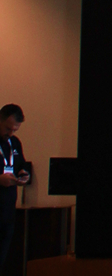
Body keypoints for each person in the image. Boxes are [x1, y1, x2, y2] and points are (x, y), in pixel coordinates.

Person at [0, 105, 28, 272]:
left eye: (15, 130)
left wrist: (24, 173)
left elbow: (21, 164)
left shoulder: (14, 142)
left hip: (7, 213)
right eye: (8, 128)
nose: (10, 133)